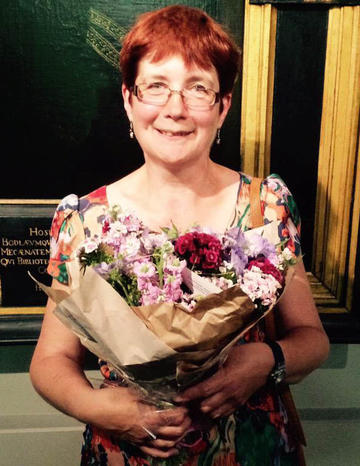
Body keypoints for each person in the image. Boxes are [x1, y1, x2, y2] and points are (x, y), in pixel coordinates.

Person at [30, 5, 329, 465]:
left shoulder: (266, 206)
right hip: (128, 450)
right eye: (156, 86)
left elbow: (312, 338)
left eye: (198, 89)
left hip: (251, 451)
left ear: (223, 106)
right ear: (129, 99)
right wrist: (96, 407)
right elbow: (50, 362)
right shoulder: (85, 220)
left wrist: (265, 361)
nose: (175, 108)